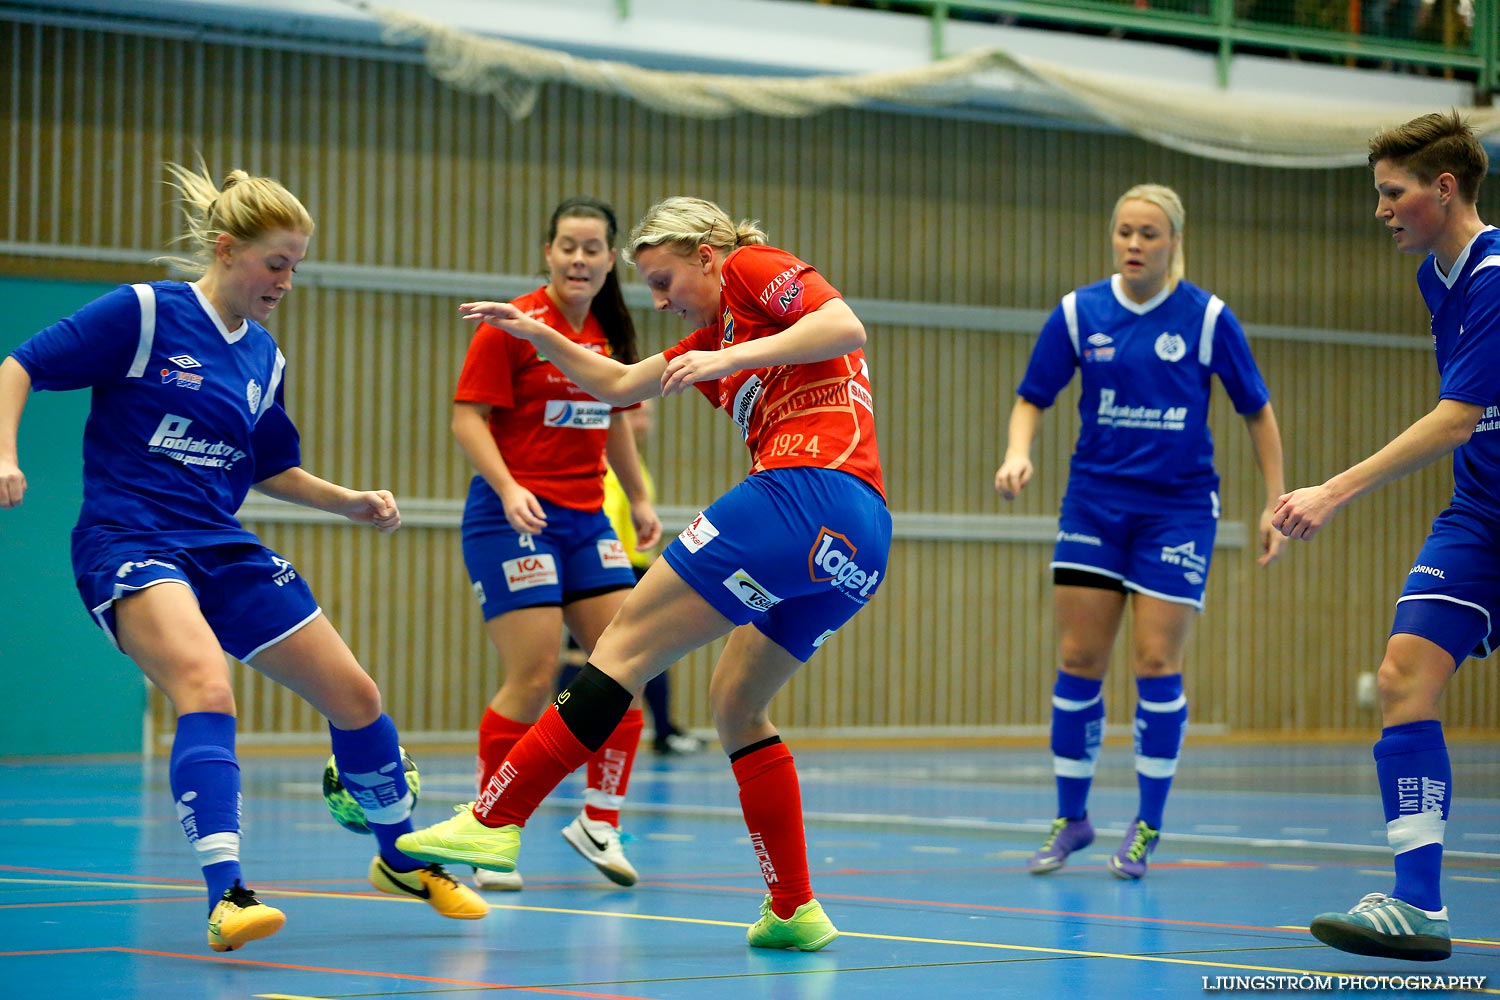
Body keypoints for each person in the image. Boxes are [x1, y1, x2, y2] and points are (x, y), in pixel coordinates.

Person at [0, 161, 487, 952]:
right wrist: (5, 453)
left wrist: (349, 500)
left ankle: (400, 859)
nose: (287, 281)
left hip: (220, 543)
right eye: (276, 263)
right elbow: (18, 365)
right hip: (130, 540)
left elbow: (267, 466)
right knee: (206, 687)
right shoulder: (145, 314)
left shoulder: (263, 355)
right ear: (226, 249)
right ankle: (227, 893)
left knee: (356, 696)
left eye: (296, 266)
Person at [398, 196, 890, 952]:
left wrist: (726, 359)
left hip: (804, 491)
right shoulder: (707, 336)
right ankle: (795, 907)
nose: (660, 302)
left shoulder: (751, 269)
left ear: (704, 254)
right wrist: (541, 335)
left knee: (622, 645)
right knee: (736, 705)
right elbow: (620, 384)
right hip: (857, 543)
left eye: (665, 280)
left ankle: (495, 821)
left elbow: (845, 325)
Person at [994, 183, 1286, 881]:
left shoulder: (1208, 318)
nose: (1134, 244)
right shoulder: (1078, 311)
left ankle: (1147, 821)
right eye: (1124, 231)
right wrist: (1017, 450)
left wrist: (1276, 502)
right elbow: (1032, 397)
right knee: (1078, 659)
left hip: (1177, 510)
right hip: (1095, 504)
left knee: (1156, 661)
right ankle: (1073, 818)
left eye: (1149, 234)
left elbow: (1258, 412)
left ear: (1174, 242)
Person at [1281, 111, 1496, 963]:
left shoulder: (1493, 277)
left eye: (1392, 192)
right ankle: (1419, 903)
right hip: (1482, 515)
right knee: (1404, 675)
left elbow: (1454, 420)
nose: (1381, 209)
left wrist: (1332, 491)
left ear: (1444, 189)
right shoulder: (1436, 279)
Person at [453, 196, 662, 892]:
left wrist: (639, 499)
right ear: (549, 252)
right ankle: (490, 829)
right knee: (536, 675)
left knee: (626, 664)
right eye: (568, 246)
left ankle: (599, 820)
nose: (580, 258)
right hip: (513, 519)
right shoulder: (513, 326)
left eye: (593, 247)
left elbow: (616, 427)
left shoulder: (608, 333)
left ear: (610, 260)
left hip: (586, 524)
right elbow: (467, 420)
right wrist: (510, 487)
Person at [560, 399, 706, 755]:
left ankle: (658, 731)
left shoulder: (632, 463)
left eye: (649, 415)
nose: (646, 422)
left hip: (631, 563)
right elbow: (605, 516)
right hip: (617, 567)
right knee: (635, 652)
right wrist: (611, 564)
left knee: (596, 654)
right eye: (639, 413)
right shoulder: (611, 467)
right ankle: (656, 732)